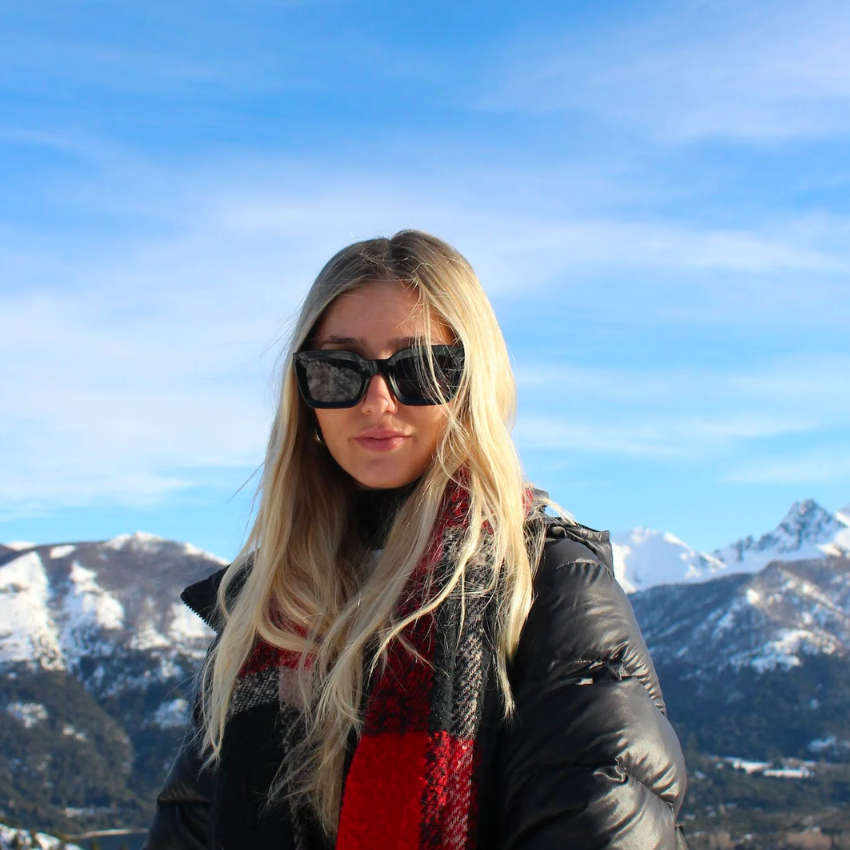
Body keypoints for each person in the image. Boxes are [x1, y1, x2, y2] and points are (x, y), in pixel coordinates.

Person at [143, 230, 689, 850]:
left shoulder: (548, 584)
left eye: (421, 368)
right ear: (306, 392)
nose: (377, 400)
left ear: (471, 384)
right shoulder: (268, 606)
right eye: (338, 368)